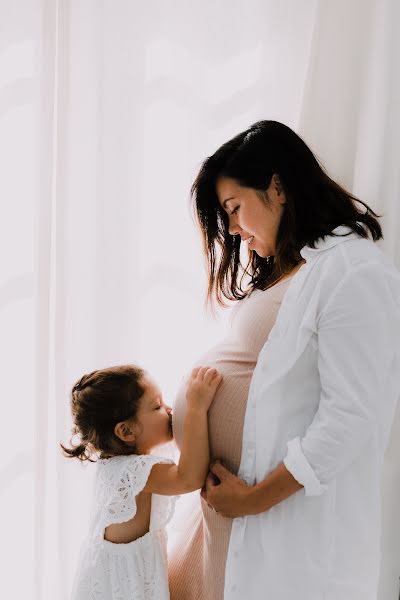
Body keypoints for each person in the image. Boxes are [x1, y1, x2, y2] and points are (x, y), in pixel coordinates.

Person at [169, 120, 400, 600]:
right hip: (235, 521)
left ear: (277, 187)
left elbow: (350, 418)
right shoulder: (297, 267)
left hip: (280, 524)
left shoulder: (353, 272)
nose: (232, 230)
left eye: (234, 209)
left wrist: (252, 499)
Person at [60, 363, 222, 600]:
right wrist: (197, 408)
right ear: (126, 431)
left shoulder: (114, 465)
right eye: (157, 406)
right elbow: (189, 478)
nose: (168, 410)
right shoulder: (135, 471)